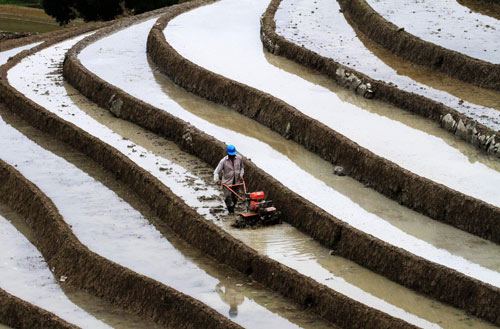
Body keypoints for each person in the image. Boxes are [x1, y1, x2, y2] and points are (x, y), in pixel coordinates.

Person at [213, 144, 244, 213]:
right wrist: (217, 180)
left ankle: (232, 207)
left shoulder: (239, 158)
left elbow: (242, 168)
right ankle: (230, 210)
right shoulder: (223, 161)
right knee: (228, 197)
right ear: (227, 153)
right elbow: (216, 172)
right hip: (227, 183)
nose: (232, 156)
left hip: (236, 182)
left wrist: (241, 175)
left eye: (233, 154)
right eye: (231, 155)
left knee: (235, 197)